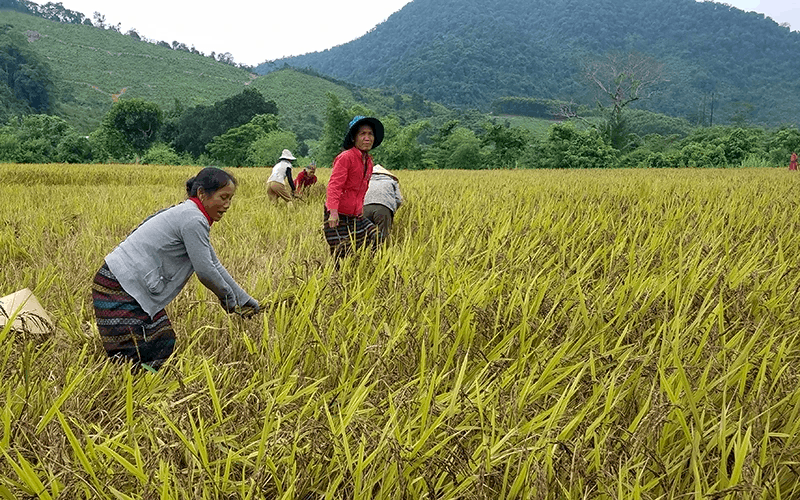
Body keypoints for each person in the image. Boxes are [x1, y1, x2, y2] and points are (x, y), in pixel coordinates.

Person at [92, 167, 259, 371]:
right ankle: (132, 391)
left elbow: (213, 264)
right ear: (202, 194)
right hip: (118, 285)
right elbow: (205, 271)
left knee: (161, 339)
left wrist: (245, 300)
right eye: (223, 197)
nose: (227, 205)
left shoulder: (190, 214)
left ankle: (148, 386)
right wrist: (230, 301)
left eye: (230, 199)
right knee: (133, 352)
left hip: (127, 284)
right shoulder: (193, 219)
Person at [323, 115, 384, 260]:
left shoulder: (368, 161)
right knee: (342, 253)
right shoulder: (346, 157)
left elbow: (362, 188)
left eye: (370, 134)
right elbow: (334, 186)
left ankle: (367, 270)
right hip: (338, 214)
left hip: (356, 215)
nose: (367, 138)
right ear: (353, 138)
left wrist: (360, 209)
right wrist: (333, 212)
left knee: (376, 237)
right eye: (362, 134)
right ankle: (336, 280)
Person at [363, 164, 403, 245]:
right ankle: (380, 253)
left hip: (364, 208)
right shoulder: (391, 181)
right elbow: (399, 200)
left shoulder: (365, 180)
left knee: (366, 234)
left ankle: (367, 254)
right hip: (384, 208)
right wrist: (391, 210)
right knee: (382, 235)